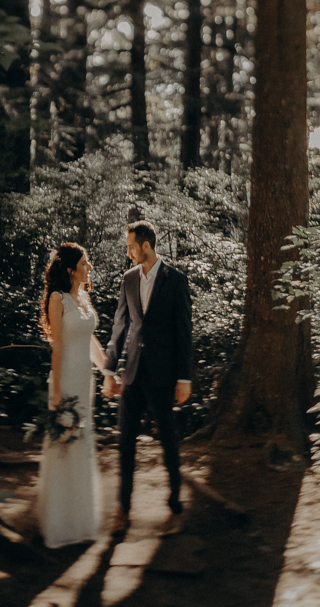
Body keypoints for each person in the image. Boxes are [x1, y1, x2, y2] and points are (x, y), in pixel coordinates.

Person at [104, 219, 194, 536]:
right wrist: (109, 369)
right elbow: (120, 327)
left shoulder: (176, 281)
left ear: (146, 245)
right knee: (125, 441)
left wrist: (184, 378)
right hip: (131, 374)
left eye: (131, 246)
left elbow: (184, 332)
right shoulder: (128, 280)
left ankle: (174, 501)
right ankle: (123, 509)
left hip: (163, 374)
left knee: (168, 439)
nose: (128, 253)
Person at [38, 241, 112, 548]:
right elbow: (58, 346)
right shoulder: (58, 299)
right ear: (71, 270)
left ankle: (83, 519)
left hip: (86, 379)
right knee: (64, 442)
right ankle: (61, 522)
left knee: (83, 439)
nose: (90, 267)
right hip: (66, 378)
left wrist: (109, 371)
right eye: (85, 263)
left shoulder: (82, 296)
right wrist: (56, 390)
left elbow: (91, 341)